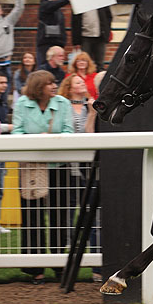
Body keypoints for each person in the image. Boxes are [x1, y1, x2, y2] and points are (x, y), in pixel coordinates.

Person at [12, 70, 73, 284]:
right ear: (38, 87)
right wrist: (38, 140)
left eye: (54, 82)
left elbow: (69, 131)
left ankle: (58, 266)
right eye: (49, 83)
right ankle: (35, 268)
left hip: (59, 167)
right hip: (32, 167)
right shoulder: (21, 104)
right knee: (32, 217)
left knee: (60, 216)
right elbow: (17, 132)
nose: (54, 86)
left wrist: (52, 140)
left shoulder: (63, 103)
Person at [58, 74, 100, 281]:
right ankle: (67, 246)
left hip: (85, 169)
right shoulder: (62, 106)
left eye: (84, 82)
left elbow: (88, 135)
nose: (82, 84)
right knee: (67, 211)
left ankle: (92, 259)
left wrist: (91, 113)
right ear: (69, 87)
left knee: (88, 214)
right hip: (67, 168)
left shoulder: (90, 106)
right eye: (78, 82)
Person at [0, 0, 24, 96]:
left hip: (6, 63)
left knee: (4, 93)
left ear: (1, 11)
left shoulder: (8, 21)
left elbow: (19, 8)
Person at [71, 6, 112, 72]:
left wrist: (106, 32)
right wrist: (76, 41)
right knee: (84, 62)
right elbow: (75, 22)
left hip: (100, 36)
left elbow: (108, 17)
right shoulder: (80, 3)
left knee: (100, 63)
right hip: (85, 37)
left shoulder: (101, 3)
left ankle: (99, 80)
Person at [36, 0, 69, 66]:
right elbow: (52, 5)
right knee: (45, 65)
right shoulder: (45, 5)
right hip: (46, 42)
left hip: (57, 41)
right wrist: (67, 0)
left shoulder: (58, 9)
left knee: (56, 65)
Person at [0, 71, 13, 235]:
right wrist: (9, 128)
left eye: (5, 82)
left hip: (1, 152)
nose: (4, 85)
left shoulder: (1, 103)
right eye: (0, 82)